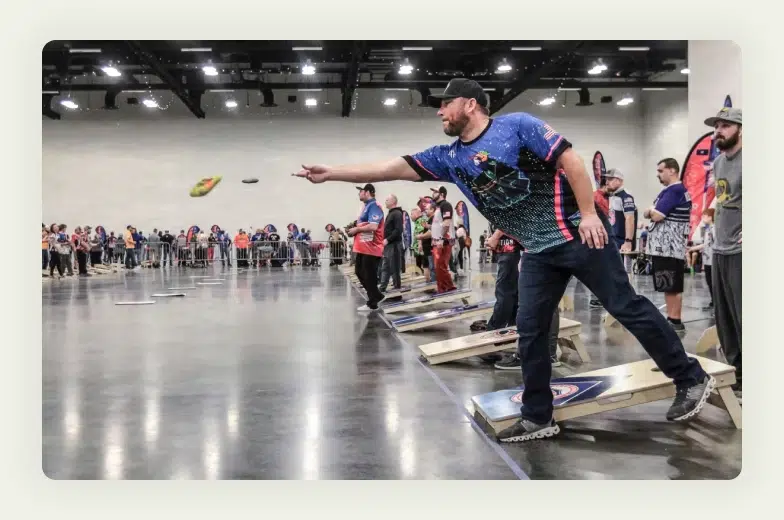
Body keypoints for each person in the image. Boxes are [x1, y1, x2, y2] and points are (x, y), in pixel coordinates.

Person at [293, 77, 715, 442]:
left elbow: (571, 160)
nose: (440, 111)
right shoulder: (448, 157)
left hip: (579, 233)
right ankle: (538, 416)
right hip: (537, 251)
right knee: (529, 330)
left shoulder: (517, 126)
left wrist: (589, 212)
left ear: (469, 104)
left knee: (626, 306)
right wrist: (332, 174)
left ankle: (691, 378)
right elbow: (390, 167)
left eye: (446, 103)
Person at [704, 107, 742, 398]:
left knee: (745, 316)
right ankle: (737, 374)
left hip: (742, 251)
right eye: (717, 126)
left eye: (726, 125)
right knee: (725, 317)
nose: (719, 131)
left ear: (741, 129)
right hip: (720, 247)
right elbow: (721, 201)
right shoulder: (718, 163)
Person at [643, 158, 691, 333]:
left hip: (669, 247)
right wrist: (650, 211)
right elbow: (650, 212)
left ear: (672, 170)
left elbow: (657, 215)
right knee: (668, 284)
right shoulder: (669, 191)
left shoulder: (674, 190)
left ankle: (675, 320)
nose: (658, 174)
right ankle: (671, 318)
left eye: (660, 171)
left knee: (672, 286)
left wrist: (650, 210)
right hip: (666, 247)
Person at [348, 183, 386, 311]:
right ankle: (376, 296)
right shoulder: (366, 206)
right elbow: (365, 224)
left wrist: (357, 229)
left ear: (368, 192)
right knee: (360, 272)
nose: (359, 194)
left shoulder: (374, 206)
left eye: (361, 191)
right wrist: (354, 229)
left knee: (368, 274)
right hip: (364, 246)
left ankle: (373, 302)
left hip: (372, 247)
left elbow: (373, 226)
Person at [605, 169, 638, 270]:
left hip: (622, 243)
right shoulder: (612, 196)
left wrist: (628, 241)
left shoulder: (626, 197)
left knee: (623, 273)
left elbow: (630, 218)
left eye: (610, 179)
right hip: (613, 241)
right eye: (606, 179)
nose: (607, 182)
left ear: (619, 180)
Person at [428, 186, 457, 293]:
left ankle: (448, 288)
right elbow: (438, 224)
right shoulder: (438, 207)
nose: (433, 194)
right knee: (438, 267)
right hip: (438, 241)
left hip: (445, 241)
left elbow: (446, 223)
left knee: (441, 266)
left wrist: (441, 238)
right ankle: (443, 288)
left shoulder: (446, 205)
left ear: (442, 194)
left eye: (435, 192)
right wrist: (434, 238)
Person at [688, 209, 715, 311]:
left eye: (705, 216)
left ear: (710, 217)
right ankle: (713, 301)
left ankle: (716, 302)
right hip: (707, 260)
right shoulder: (707, 229)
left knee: (713, 282)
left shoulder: (714, 229)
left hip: (712, 260)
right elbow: (705, 244)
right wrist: (692, 248)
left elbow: (713, 243)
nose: (702, 218)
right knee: (709, 282)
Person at [378, 194, 404, 293]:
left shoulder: (397, 213)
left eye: (387, 200)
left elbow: (398, 230)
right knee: (385, 267)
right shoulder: (390, 214)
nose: (385, 201)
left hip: (394, 245)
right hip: (388, 246)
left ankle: (397, 289)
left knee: (395, 268)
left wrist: (388, 239)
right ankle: (382, 287)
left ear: (393, 201)